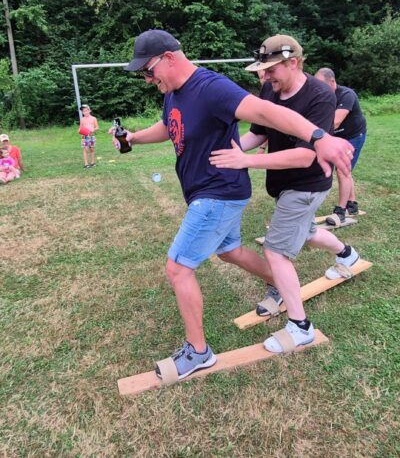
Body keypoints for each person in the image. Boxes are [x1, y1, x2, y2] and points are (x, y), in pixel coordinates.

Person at [115, 29, 355, 380]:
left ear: (168, 58)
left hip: (218, 192)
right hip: (212, 191)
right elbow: (169, 125)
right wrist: (134, 138)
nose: (148, 79)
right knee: (230, 251)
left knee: (178, 268)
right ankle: (279, 283)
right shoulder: (174, 93)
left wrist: (318, 136)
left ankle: (198, 352)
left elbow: (266, 112)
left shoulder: (210, 87)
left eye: (148, 71)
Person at [209, 34, 361, 354]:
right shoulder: (270, 88)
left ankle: (300, 327)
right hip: (285, 183)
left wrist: (245, 161)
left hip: (307, 184)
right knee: (307, 232)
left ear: (294, 63)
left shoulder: (320, 97)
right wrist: (228, 151)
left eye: (271, 70)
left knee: (276, 251)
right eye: (263, 71)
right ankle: (347, 255)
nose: (265, 77)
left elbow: (305, 156)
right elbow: (258, 132)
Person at [314, 68, 367, 223]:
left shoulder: (346, 95)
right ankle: (352, 205)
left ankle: (340, 211)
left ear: (332, 82)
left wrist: (312, 133)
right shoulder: (323, 96)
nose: (320, 89)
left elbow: (335, 122)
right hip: (338, 138)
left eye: (323, 85)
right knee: (346, 171)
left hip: (354, 136)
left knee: (343, 171)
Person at [79, 104, 99, 169]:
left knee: (92, 149)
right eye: (83, 111)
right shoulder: (82, 119)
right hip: (84, 136)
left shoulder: (93, 118)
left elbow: (97, 127)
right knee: (85, 149)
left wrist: (93, 130)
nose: (85, 112)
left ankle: (93, 162)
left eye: (86, 110)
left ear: (89, 110)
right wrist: (80, 131)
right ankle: (86, 164)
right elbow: (80, 128)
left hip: (91, 136)